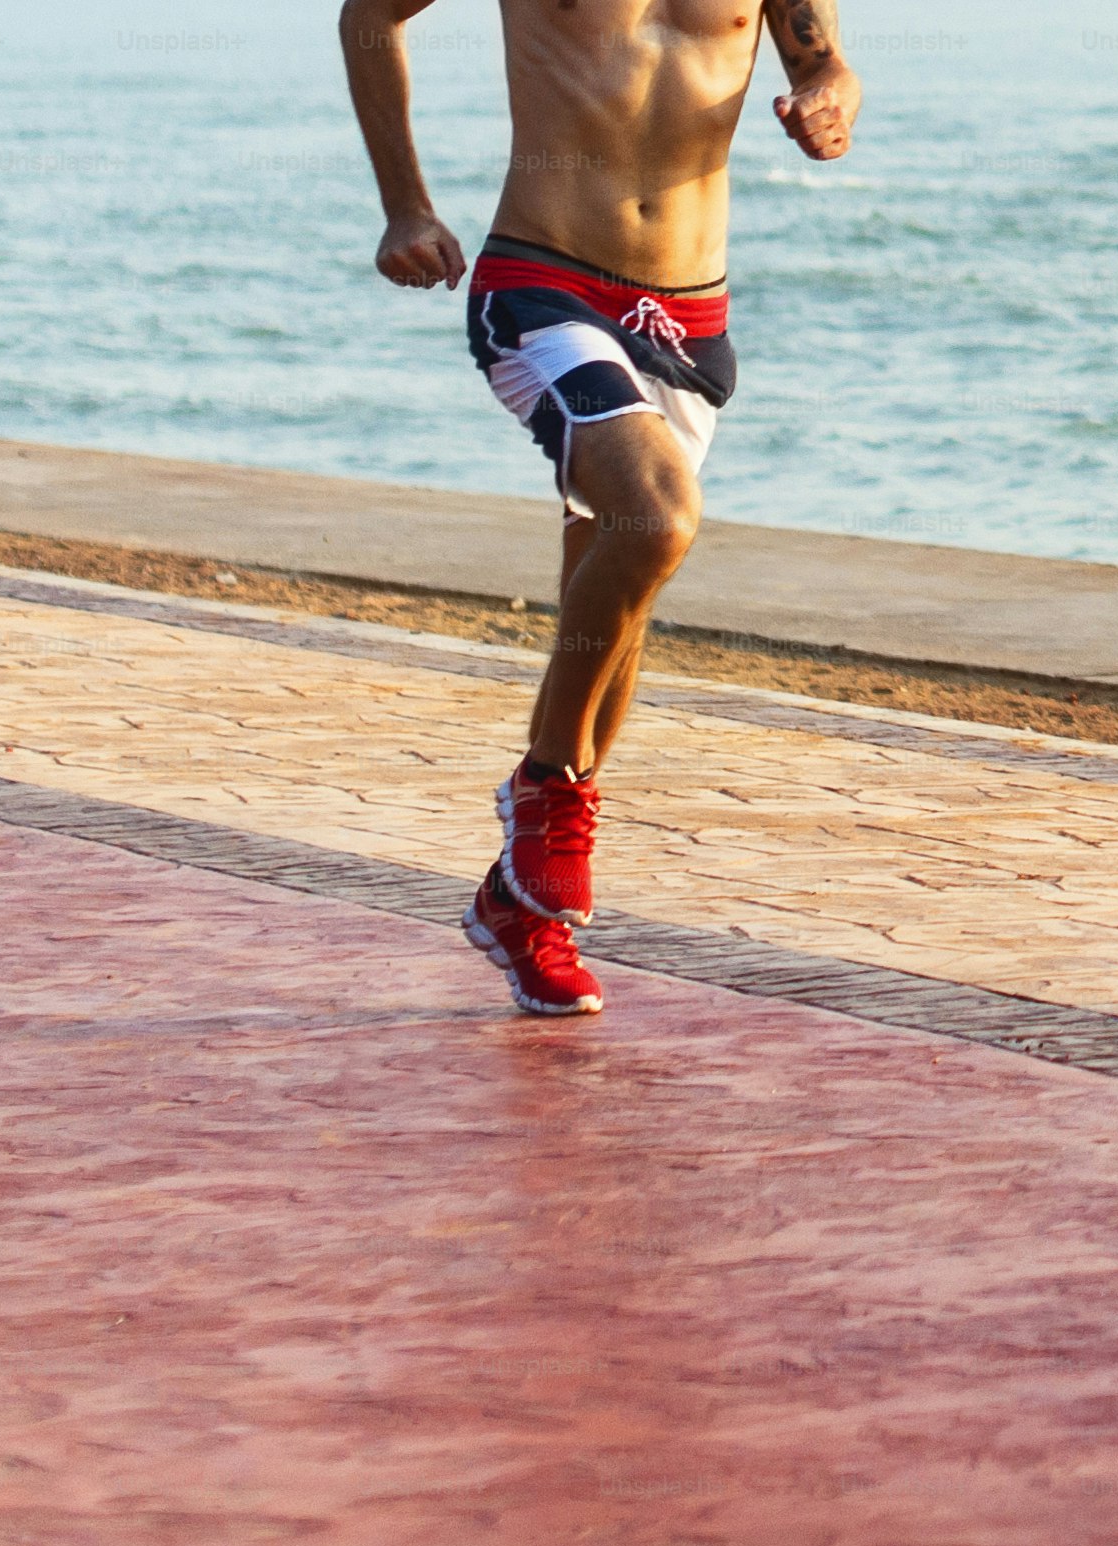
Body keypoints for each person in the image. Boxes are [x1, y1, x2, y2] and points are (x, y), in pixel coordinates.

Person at [342, 0, 861, 1015]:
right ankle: (547, 790)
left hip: (688, 318)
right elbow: (370, 16)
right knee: (657, 517)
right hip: (545, 282)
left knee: (618, 596)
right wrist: (406, 207)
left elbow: (826, 61)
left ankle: (519, 907)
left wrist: (829, 99)